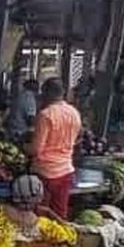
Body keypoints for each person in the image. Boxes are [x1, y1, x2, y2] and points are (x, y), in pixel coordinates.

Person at [29, 78, 81, 219]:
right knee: (59, 214)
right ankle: (59, 239)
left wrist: (25, 147)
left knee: (40, 215)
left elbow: (36, 149)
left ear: (48, 93)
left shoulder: (46, 115)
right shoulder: (74, 113)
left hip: (45, 172)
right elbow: (75, 140)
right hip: (65, 171)